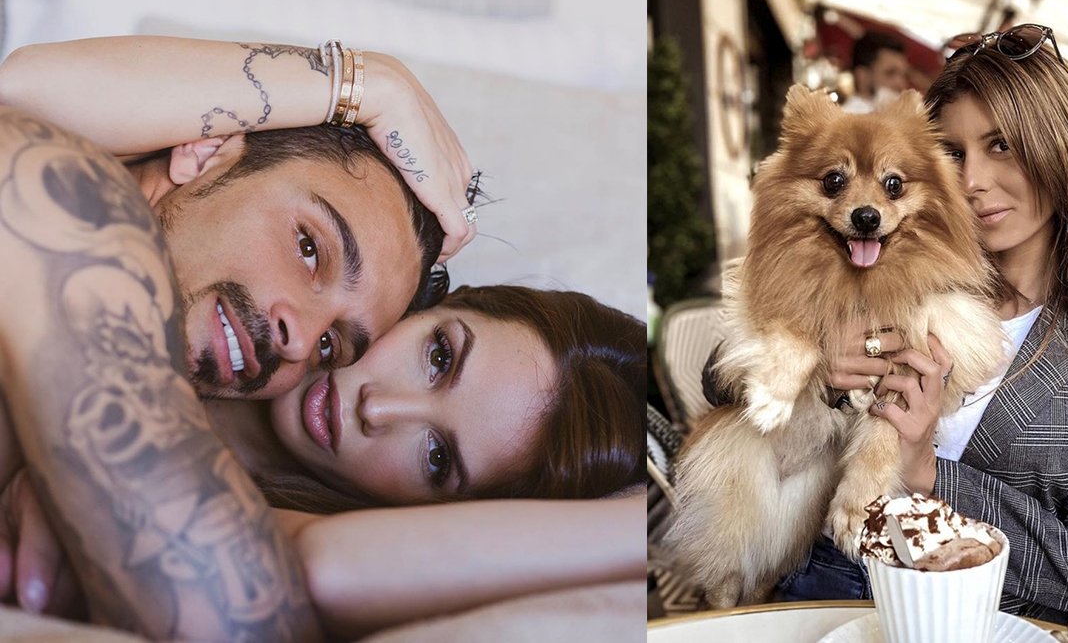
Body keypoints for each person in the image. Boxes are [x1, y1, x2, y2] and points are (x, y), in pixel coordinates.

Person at [0, 35, 477, 640]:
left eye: (333, 346)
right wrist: (372, 85)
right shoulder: (75, 201)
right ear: (204, 155)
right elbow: (22, 95)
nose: (299, 341)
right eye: (310, 249)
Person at [716, 25, 1068, 625]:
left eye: (1002, 147)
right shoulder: (881, 259)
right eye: (953, 153)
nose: (972, 182)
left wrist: (928, 474)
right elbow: (718, 378)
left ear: (1063, 151)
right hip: (822, 592)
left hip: (991, 621)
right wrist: (816, 366)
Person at [0, 284, 648, 638]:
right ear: (435, 301)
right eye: (439, 357)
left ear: (425, 518)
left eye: (436, 458)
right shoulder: (198, 281)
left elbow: (335, 569)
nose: (380, 409)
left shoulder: (272, 543)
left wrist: (641, 523)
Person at [841, 30, 910, 115]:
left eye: (904, 75)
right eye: (890, 73)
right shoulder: (847, 123)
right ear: (862, 77)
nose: (900, 84)